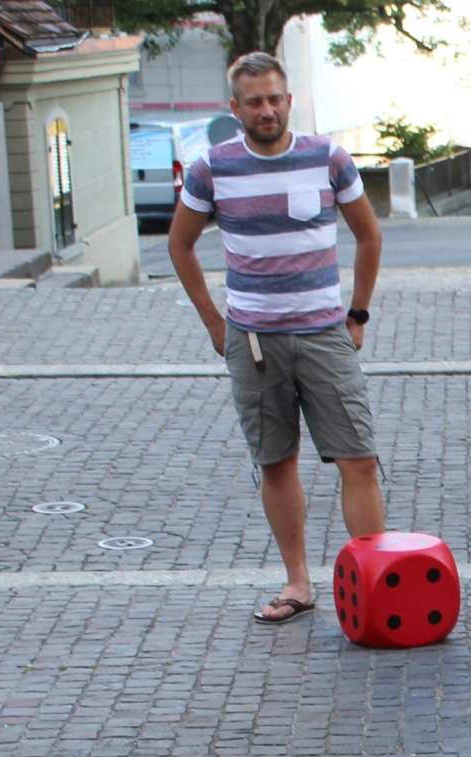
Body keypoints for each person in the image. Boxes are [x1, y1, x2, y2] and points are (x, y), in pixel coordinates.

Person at [169, 51, 385, 626]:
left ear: (289, 101)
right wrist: (215, 324)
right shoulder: (212, 168)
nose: (266, 110)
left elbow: (368, 235)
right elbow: (180, 245)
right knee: (276, 461)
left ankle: (374, 585)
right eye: (254, 102)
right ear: (235, 108)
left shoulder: (327, 157)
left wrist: (358, 314)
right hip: (254, 343)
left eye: (274, 99)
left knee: (359, 458)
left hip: (324, 334)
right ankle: (298, 583)